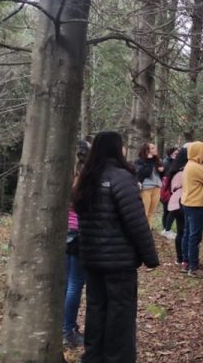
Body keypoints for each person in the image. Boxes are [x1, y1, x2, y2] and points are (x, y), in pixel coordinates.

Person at [72, 131, 159, 362]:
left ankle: (93, 356)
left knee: (96, 309)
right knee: (120, 313)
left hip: (91, 258)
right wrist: (150, 257)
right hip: (118, 261)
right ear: (115, 149)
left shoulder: (86, 178)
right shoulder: (121, 178)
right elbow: (136, 222)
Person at [63, 139, 90, 348]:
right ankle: (68, 330)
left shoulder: (62, 176)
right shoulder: (85, 179)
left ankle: (65, 326)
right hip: (79, 234)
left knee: (67, 283)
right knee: (75, 284)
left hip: (64, 233)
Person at [180, 141, 203, 278]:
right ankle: (194, 267)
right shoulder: (196, 167)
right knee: (194, 236)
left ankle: (186, 262)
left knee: (188, 233)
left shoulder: (190, 165)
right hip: (195, 205)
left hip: (188, 202)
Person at [165, 146, 189, 267]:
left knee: (181, 231)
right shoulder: (183, 172)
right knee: (184, 231)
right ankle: (183, 258)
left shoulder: (175, 169)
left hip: (175, 203)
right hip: (181, 203)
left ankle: (180, 258)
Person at [134, 142, 164, 228]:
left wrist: (162, 171)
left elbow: (162, 175)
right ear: (147, 151)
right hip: (146, 188)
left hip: (157, 188)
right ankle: (140, 230)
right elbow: (145, 173)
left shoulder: (157, 160)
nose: (155, 149)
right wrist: (149, 160)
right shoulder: (139, 161)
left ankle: (148, 230)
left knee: (151, 212)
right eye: (152, 148)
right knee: (144, 212)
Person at [159, 147, 179, 238]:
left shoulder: (174, 162)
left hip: (170, 189)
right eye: (175, 153)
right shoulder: (166, 162)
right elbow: (166, 176)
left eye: (177, 153)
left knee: (168, 210)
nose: (176, 155)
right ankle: (166, 229)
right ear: (170, 153)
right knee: (168, 210)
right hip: (167, 189)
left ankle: (166, 229)